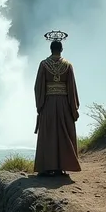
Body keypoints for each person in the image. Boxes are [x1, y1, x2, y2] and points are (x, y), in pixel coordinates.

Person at [34, 40, 81, 176]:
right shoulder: (68, 65)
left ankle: (47, 167)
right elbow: (71, 88)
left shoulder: (43, 65)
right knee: (63, 134)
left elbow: (38, 87)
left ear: (50, 49)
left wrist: (40, 104)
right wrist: (74, 107)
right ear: (61, 49)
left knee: (49, 134)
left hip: (48, 103)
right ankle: (62, 167)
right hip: (64, 104)